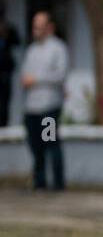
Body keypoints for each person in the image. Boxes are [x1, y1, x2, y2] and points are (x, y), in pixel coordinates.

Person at [19, 11, 68, 191]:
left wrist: (36, 79)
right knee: (35, 145)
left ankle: (58, 183)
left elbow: (60, 75)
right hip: (32, 108)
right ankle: (40, 182)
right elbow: (25, 74)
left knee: (51, 143)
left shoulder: (58, 48)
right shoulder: (31, 50)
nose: (36, 30)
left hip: (49, 107)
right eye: (34, 26)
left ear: (49, 27)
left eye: (39, 26)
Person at [0, 18, 20, 126]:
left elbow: (18, 42)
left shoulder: (8, 29)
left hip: (4, 73)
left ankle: (3, 124)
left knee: (4, 101)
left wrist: (6, 34)